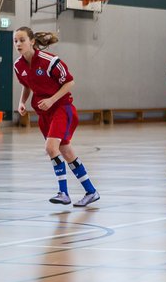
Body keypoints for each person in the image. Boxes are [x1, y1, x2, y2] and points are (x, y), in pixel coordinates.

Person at [14, 28, 101, 207]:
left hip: (62, 108)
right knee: (66, 152)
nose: (18, 44)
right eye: (15, 41)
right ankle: (91, 191)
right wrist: (22, 102)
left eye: (22, 40)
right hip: (43, 114)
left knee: (51, 148)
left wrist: (52, 99)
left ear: (32, 41)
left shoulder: (50, 61)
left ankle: (63, 193)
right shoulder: (18, 66)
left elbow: (70, 82)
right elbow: (27, 85)